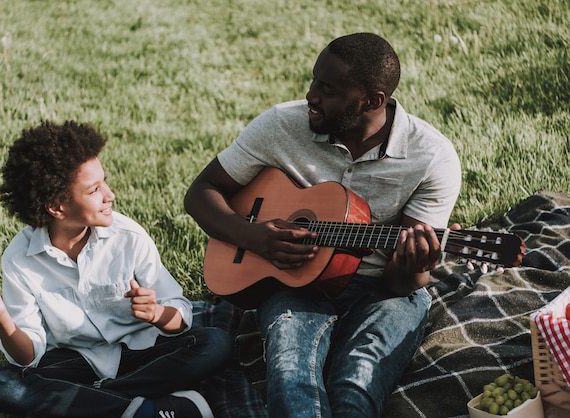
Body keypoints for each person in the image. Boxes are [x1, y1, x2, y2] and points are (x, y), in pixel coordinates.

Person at [183, 32, 462, 417]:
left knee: (355, 386)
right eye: (314, 80)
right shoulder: (281, 124)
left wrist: (415, 265)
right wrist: (250, 236)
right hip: (291, 282)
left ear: (373, 101)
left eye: (328, 89)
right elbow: (201, 191)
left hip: (384, 290)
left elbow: (401, 284)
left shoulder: (432, 158)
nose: (312, 96)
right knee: (291, 376)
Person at [0, 120, 232, 418]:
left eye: (104, 182)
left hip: (144, 352)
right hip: (76, 361)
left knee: (215, 343)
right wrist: (2, 315)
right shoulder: (19, 259)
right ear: (57, 207)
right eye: (94, 190)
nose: (110, 195)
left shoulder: (128, 237)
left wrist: (157, 314)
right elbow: (28, 357)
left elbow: (179, 312)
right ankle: (148, 409)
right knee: (3, 384)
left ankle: (95, 404)